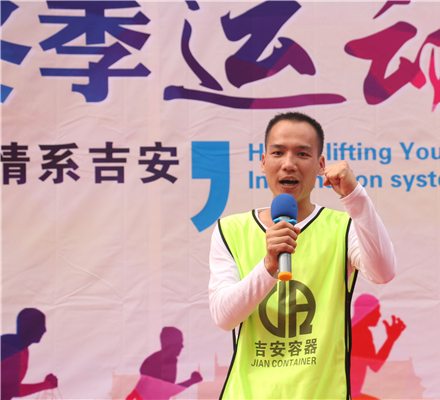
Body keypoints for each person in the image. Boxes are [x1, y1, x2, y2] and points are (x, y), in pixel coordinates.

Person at [209, 112, 397, 399]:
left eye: (302, 153)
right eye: (278, 152)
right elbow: (224, 317)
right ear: (263, 162)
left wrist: (354, 196)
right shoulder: (231, 230)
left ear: (320, 165)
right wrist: (268, 266)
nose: (289, 163)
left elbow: (383, 272)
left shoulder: (342, 227)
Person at [350, 294, 405, 399]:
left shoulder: (354, 329)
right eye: (376, 311)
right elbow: (375, 365)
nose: (379, 315)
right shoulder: (361, 333)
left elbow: (374, 365)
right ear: (367, 312)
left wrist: (391, 339)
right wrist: (390, 339)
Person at [126, 327, 202, 400]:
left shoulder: (165, 360)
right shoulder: (156, 361)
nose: (182, 346)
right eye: (179, 342)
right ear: (170, 344)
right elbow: (167, 391)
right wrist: (192, 380)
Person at [1, 308, 58, 400]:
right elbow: (9, 390)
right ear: (29, 327)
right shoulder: (9, 347)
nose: (44, 330)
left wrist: (45, 385)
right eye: (40, 325)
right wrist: (46, 385)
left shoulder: (22, 349)